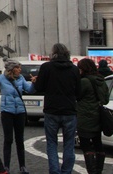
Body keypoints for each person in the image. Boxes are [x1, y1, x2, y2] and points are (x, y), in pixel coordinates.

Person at [33, 43, 81, 174]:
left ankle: (54, 171)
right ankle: (66, 171)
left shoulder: (46, 67)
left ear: (53, 53)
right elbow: (79, 91)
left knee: (52, 143)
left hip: (51, 110)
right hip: (69, 110)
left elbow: (39, 87)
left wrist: (35, 81)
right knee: (69, 144)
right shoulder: (74, 69)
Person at [0, 59, 35, 174]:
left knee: (20, 140)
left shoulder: (21, 78)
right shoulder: (1, 78)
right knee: (8, 139)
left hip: (20, 111)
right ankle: (6, 166)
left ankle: (23, 166)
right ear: (12, 69)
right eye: (18, 67)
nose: (20, 70)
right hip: (7, 111)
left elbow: (29, 90)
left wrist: (34, 83)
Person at [76, 58, 109, 174]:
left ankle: (92, 171)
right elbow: (105, 99)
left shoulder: (84, 81)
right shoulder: (101, 80)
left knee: (86, 145)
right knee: (98, 143)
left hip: (85, 117)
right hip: (98, 116)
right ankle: (98, 170)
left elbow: (77, 96)